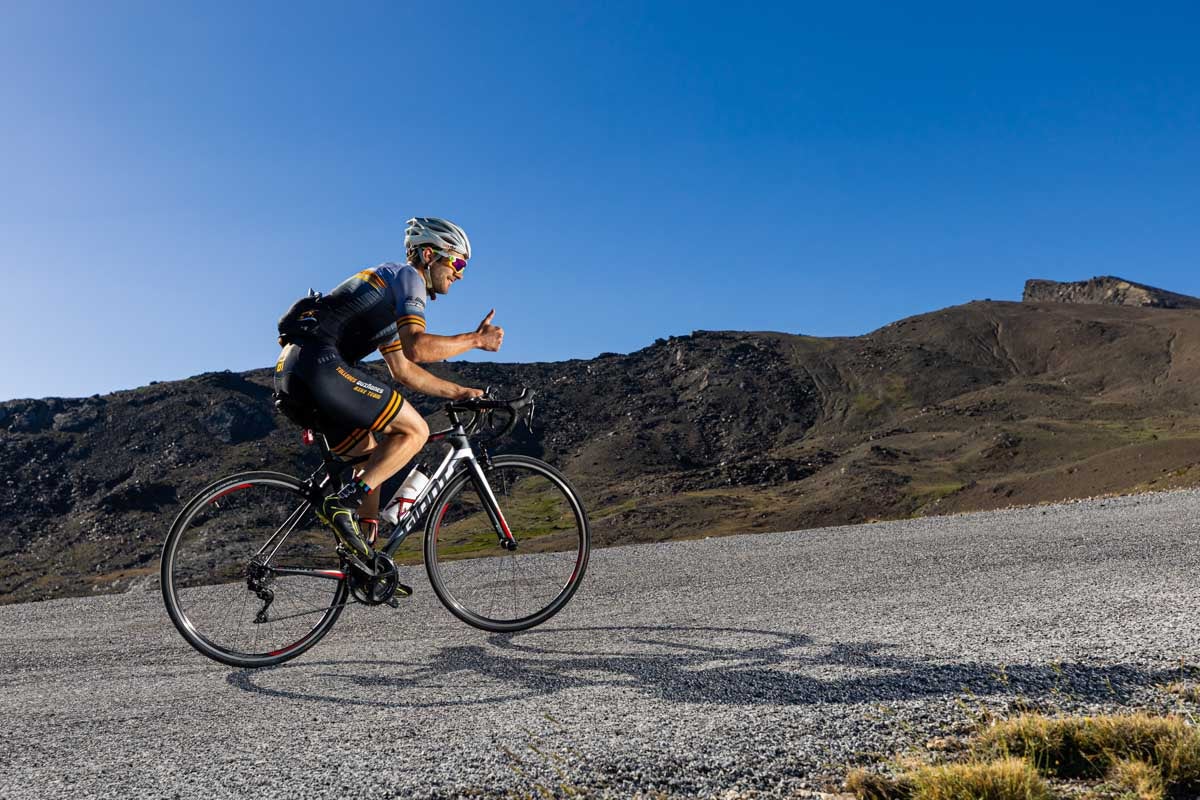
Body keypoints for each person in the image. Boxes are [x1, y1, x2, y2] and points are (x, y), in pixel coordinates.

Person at [273, 217, 504, 565]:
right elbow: (418, 349)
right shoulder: (406, 276)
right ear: (428, 254)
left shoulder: (387, 291)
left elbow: (404, 370)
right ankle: (343, 504)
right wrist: (476, 340)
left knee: (373, 458)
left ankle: (366, 556)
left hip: (292, 373)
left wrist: (459, 392)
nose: (459, 273)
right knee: (415, 430)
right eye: (456, 262)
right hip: (320, 366)